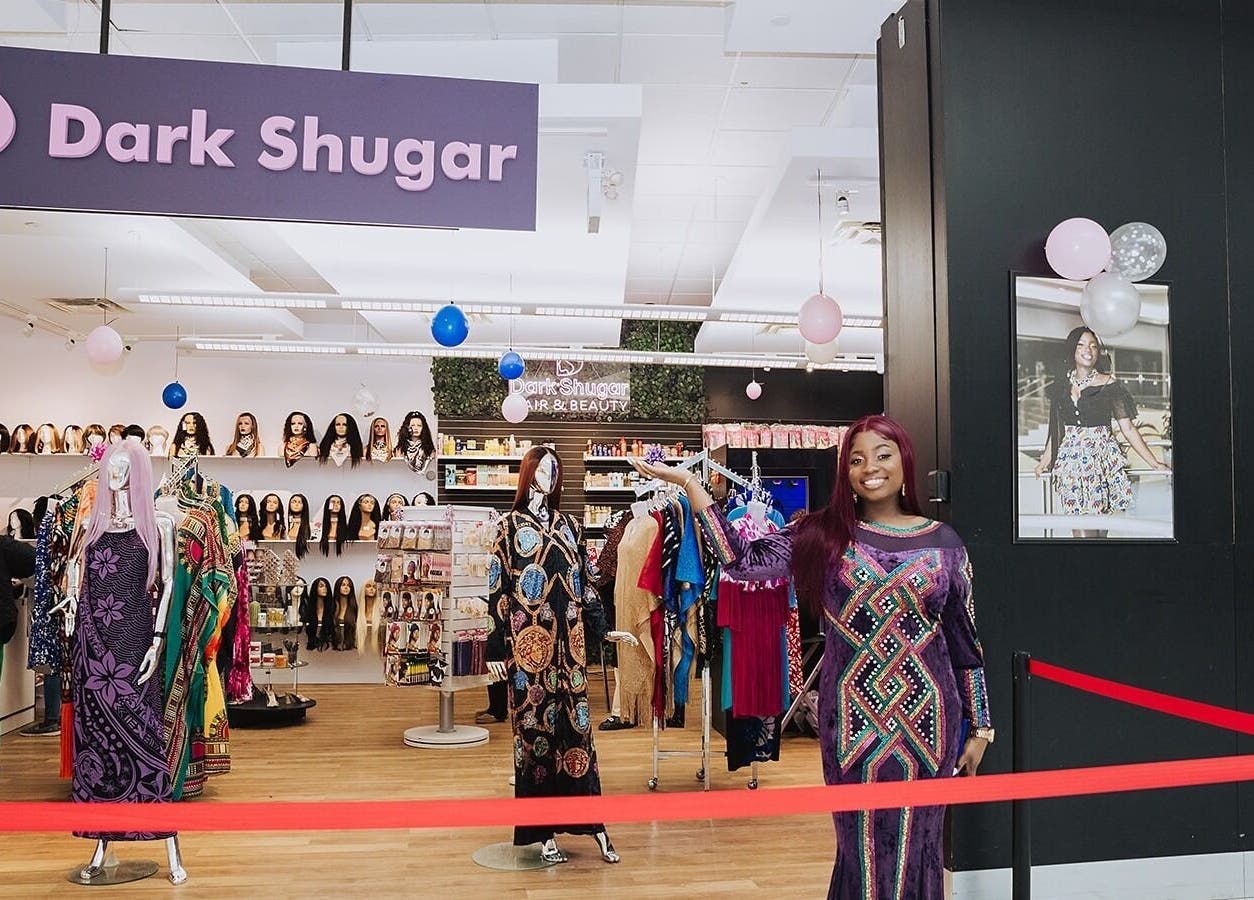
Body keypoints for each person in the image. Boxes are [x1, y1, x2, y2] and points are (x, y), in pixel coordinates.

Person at [631, 414, 993, 900]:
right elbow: (741, 558)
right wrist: (692, 485)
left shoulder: (944, 544)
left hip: (929, 728)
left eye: (883, 456)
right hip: (852, 726)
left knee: (920, 846)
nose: (871, 469)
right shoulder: (821, 536)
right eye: (857, 459)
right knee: (859, 848)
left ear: (905, 461)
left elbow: (964, 646)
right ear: (846, 471)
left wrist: (981, 727)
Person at [1033, 326, 1170, 538]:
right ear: (1072, 350)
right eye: (1081, 344)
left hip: (1100, 462)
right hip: (1071, 465)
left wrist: (1154, 463)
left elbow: (1128, 428)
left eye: (1093, 345)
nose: (1088, 350)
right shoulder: (1061, 385)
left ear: (1098, 352)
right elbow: (1057, 429)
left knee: (1098, 532)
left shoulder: (1109, 384)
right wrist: (1044, 462)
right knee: (1080, 529)